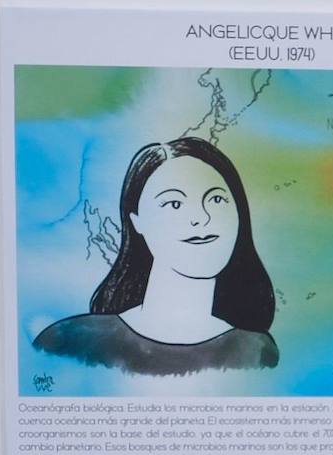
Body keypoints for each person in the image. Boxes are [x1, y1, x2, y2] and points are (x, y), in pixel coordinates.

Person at [32, 136, 279, 375]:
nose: (201, 218)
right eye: (174, 204)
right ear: (137, 222)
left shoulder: (256, 353)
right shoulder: (69, 342)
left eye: (216, 199)